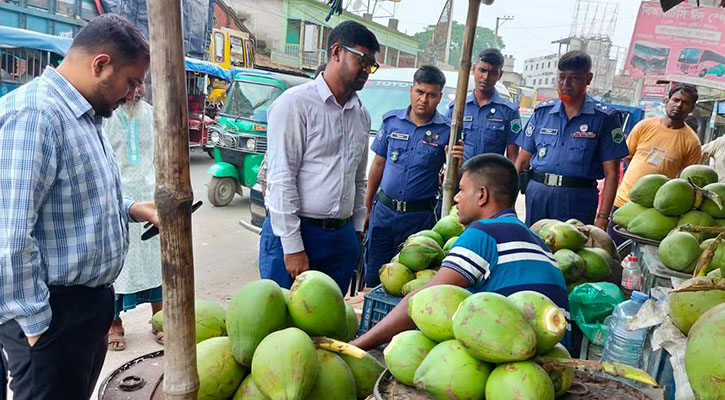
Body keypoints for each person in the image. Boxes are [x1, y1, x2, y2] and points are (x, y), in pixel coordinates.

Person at [0, 14, 158, 399]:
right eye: (131, 81)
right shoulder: (36, 115)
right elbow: (10, 234)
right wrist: (39, 330)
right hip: (53, 317)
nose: (133, 93)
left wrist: (134, 207)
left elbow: (77, 194)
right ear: (101, 64)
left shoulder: (85, 116)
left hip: (86, 310)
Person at [351, 154, 570, 351]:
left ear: (482, 195)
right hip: (554, 354)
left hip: (521, 357)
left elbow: (421, 302)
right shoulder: (538, 242)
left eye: (462, 190)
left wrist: (359, 345)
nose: (456, 198)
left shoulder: (483, 234)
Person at [259, 21, 380, 294]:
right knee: (281, 329)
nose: (366, 70)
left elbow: (358, 180)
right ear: (336, 52)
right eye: (362, 60)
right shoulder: (295, 104)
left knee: (325, 328)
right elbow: (281, 177)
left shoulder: (361, 115)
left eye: (371, 65)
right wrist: (292, 247)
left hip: (340, 238)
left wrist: (355, 232)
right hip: (297, 233)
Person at [515, 50, 628, 230]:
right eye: (562, 77)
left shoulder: (604, 118)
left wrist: (603, 218)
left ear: (588, 79)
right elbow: (521, 161)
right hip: (538, 195)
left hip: (577, 199)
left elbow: (612, 173)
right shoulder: (542, 113)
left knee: (572, 253)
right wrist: (507, 205)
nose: (565, 84)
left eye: (574, 78)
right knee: (535, 249)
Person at [363, 66, 450, 287]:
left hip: (418, 218)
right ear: (411, 90)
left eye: (431, 95)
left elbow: (452, 179)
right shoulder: (392, 122)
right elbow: (378, 165)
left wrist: (454, 160)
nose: (423, 99)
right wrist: (367, 206)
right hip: (384, 212)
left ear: (439, 97)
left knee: (408, 281)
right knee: (374, 274)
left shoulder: (447, 131)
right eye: (419, 92)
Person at [103, 84, 163, 351]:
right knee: (118, 266)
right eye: (132, 84)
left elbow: (161, 157)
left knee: (155, 262)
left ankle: (159, 321)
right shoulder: (107, 116)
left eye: (141, 85)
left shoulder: (152, 115)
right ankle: (114, 325)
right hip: (119, 202)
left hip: (151, 199)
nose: (136, 90)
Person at [610, 84, 701, 244]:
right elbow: (627, 156)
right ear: (667, 101)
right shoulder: (644, 126)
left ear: (691, 108)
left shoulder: (692, 142)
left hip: (655, 213)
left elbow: (687, 182)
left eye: (685, 103)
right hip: (624, 202)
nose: (679, 105)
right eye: (676, 99)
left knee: (640, 261)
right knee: (612, 254)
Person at [447, 48, 522, 164]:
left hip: (491, 178)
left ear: (500, 75)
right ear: (474, 69)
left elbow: (513, 157)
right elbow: (444, 145)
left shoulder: (509, 112)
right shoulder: (457, 108)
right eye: (482, 70)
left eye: (493, 73)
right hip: (461, 177)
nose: (486, 77)